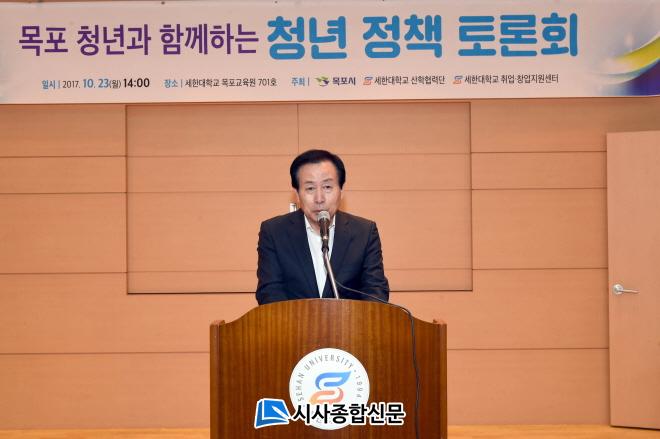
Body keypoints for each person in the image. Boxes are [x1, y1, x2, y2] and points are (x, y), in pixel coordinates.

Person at [256, 149, 389, 305]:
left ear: (341, 191)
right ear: (297, 194)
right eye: (310, 188)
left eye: (327, 187)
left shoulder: (364, 232)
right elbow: (270, 294)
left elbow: (375, 292)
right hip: (292, 321)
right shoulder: (274, 232)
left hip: (350, 321)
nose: (319, 199)